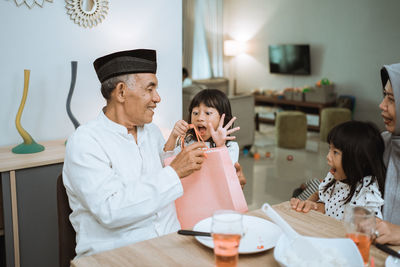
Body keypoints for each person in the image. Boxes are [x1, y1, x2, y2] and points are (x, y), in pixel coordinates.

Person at [62, 49, 247, 257]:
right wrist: (175, 171)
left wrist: (225, 179)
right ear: (121, 92)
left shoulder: (152, 132)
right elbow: (110, 211)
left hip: (174, 243)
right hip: (118, 254)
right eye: (150, 90)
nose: (157, 98)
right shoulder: (86, 142)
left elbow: (178, 188)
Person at [290, 121, 386, 220]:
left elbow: (371, 226)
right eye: (329, 149)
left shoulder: (367, 192)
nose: (328, 157)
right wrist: (310, 205)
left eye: (335, 152)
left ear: (358, 160)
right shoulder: (335, 178)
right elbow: (321, 198)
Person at [164, 89, 240, 165]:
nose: (199, 118)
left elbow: (227, 173)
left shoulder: (231, 147)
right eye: (195, 113)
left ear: (222, 118)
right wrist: (173, 136)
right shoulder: (187, 144)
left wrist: (220, 146)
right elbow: (167, 163)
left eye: (207, 113)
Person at [375, 63, 400, 245]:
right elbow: (342, 177)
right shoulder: (383, 143)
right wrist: (317, 201)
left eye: (391, 99)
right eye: (384, 96)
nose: (382, 105)